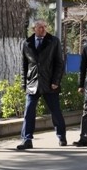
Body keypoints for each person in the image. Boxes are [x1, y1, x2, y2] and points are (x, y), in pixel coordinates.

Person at [17, 19, 67, 150]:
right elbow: (24, 65)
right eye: (40, 27)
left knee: (55, 111)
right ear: (34, 29)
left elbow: (59, 63)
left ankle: (61, 135)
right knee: (29, 111)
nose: (43, 29)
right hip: (33, 83)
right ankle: (26, 139)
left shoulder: (54, 41)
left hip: (49, 83)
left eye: (45, 26)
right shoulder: (27, 43)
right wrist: (24, 84)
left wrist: (56, 81)